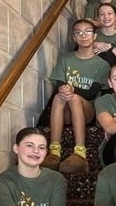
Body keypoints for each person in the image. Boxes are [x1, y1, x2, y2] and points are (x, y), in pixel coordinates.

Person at [43, 19, 110, 174]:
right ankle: (54, 151)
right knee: (58, 97)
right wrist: (63, 88)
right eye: (78, 32)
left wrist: (72, 89)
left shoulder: (102, 64)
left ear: (94, 36)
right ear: (74, 37)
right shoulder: (66, 59)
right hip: (66, 110)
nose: (83, 35)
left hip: (87, 110)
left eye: (88, 32)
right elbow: (59, 83)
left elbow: (92, 92)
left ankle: (80, 151)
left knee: (74, 98)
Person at [92, 3, 116, 67]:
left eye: (109, 13)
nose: (106, 17)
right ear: (98, 18)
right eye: (102, 14)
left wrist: (112, 48)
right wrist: (94, 44)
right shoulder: (92, 34)